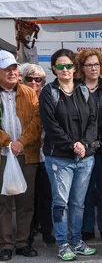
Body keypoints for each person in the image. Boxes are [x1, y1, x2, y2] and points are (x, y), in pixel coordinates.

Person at [39, 48, 97, 261]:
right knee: (60, 202)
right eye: (60, 66)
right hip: (59, 158)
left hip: (84, 157)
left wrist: (84, 143)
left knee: (78, 203)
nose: (65, 69)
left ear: (75, 68)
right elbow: (50, 126)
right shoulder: (49, 92)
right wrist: (73, 144)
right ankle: (63, 242)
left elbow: (93, 121)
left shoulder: (83, 91)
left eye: (69, 65)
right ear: (54, 68)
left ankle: (76, 240)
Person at [0, 50, 41, 261]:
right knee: (4, 202)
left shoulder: (28, 92)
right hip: (2, 154)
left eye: (14, 68)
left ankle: (23, 242)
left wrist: (21, 142)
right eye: (6, 68)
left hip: (27, 153)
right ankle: (5, 244)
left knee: (26, 201)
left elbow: (36, 120)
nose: (12, 72)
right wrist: (8, 143)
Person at [76, 48, 102, 242]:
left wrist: (95, 134)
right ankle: (86, 228)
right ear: (82, 68)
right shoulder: (74, 87)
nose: (94, 68)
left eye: (96, 64)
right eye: (89, 65)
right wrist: (84, 139)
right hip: (81, 146)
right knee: (84, 190)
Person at [21, 63, 55, 246]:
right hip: (25, 152)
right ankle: (28, 233)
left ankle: (47, 231)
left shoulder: (48, 97)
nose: (34, 82)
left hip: (46, 153)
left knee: (47, 194)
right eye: (30, 78)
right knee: (28, 196)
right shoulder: (19, 99)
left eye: (38, 79)